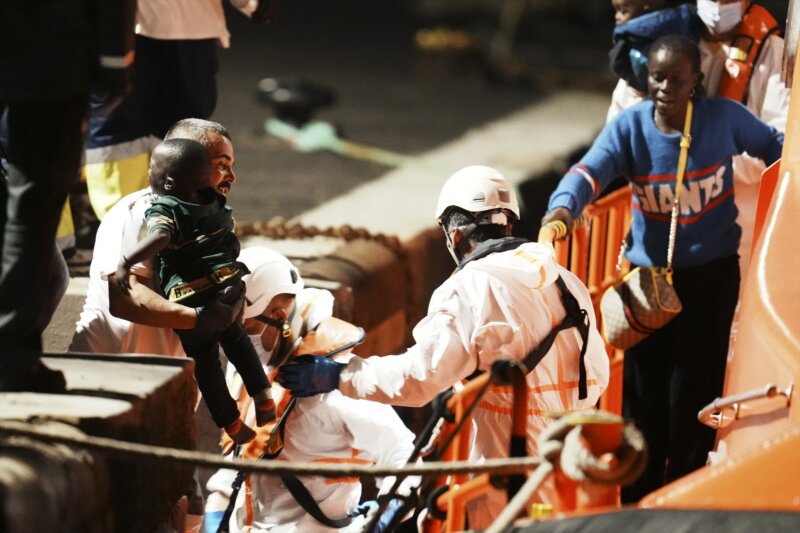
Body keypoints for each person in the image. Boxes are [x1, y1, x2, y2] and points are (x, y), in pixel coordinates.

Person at [277, 165, 611, 528]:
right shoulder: (564, 278)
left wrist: (342, 375)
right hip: (577, 443)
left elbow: (419, 378)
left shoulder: (468, 288)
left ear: (454, 234)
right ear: (508, 224)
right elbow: (598, 371)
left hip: (508, 457)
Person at [541, 35, 783, 502]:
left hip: (711, 277)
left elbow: (774, 146)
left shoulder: (722, 121)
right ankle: (639, 499)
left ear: (696, 80)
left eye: (677, 78)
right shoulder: (630, 130)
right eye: (657, 77)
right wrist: (561, 211)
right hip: (649, 282)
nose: (666, 87)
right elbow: (589, 172)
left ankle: (685, 492)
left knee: (697, 391)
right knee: (643, 395)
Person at [203, 247, 416, 533]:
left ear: (279, 316)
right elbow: (239, 459)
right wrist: (217, 508)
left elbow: (405, 456)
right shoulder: (244, 374)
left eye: (245, 330)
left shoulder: (337, 384)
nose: (235, 343)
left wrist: (384, 515)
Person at [0, 0, 134, 392]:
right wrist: (115, 62)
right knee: (34, 206)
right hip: (50, 51)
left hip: (50, 50)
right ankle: (12, 359)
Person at [608, 0, 790, 279]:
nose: (719, 3)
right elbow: (618, 131)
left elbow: (782, 147)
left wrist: (703, 159)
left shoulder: (774, 55)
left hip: (735, 239)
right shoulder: (659, 41)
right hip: (659, 236)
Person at [114, 139, 276, 444]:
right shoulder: (214, 200)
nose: (148, 173)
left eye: (152, 168)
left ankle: (231, 424)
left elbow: (161, 236)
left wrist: (127, 262)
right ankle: (264, 396)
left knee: (206, 363)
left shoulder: (164, 206)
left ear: (169, 181)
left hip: (192, 291)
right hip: (229, 280)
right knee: (237, 339)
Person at [84, 0, 277, 221]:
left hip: (152, 27)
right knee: (139, 136)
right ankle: (140, 231)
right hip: (165, 27)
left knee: (148, 137)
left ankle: (140, 231)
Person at [70, 119, 242, 356]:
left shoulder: (213, 218)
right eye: (222, 165)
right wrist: (200, 318)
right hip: (112, 369)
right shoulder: (141, 212)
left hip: (169, 375)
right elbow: (125, 299)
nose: (232, 177)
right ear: (189, 163)